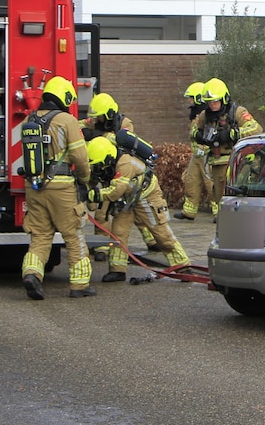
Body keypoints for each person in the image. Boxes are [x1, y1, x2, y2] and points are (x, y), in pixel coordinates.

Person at [20, 75, 94, 299]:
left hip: (34, 187)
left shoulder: (29, 121)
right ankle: (79, 285)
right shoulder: (67, 120)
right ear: (65, 97)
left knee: (41, 236)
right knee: (74, 234)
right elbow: (80, 158)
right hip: (61, 188)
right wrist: (84, 178)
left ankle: (32, 273)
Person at [85, 134, 191, 281]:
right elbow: (94, 180)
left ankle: (183, 267)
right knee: (118, 232)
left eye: (99, 165)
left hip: (146, 196)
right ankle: (117, 270)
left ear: (108, 158)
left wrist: (93, 195)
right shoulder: (105, 163)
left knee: (161, 233)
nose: (98, 169)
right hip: (127, 199)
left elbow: (115, 191)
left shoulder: (124, 163)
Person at [79, 92, 157, 253]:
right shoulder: (95, 122)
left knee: (135, 211)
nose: (96, 121)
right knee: (102, 212)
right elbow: (79, 125)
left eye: (99, 117)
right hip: (105, 171)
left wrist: (97, 135)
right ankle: (102, 247)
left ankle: (152, 240)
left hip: (125, 172)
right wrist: (83, 131)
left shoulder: (125, 123)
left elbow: (121, 143)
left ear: (109, 114)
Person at [189, 78, 261, 221]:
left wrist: (231, 134)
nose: (212, 105)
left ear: (224, 98)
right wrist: (199, 136)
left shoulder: (237, 112)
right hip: (216, 162)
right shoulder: (205, 115)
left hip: (236, 162)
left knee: (235, 196)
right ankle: (228, 226)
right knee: (218, 196)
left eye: (215, 101)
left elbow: (256, 129)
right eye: (209, 102)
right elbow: (194, 130)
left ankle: (236, 224)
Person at [174, 81, 212, 221]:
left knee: (210, 183)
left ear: (198, 98)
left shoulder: (206, 116)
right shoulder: (196, 114)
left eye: (191, 97)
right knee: (191, 180)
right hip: (197, 156)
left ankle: (218, 212)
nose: (189, 101)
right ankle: (189, 211)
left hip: (206, 155)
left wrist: (204, 150)